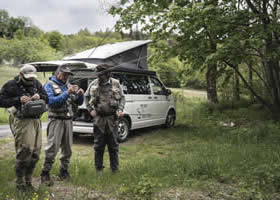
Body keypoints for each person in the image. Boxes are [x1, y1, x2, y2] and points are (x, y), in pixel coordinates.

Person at [0, 64, 48, 191]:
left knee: (35, 152)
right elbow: (1, 101)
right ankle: (19, 183)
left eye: (32, 78)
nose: (30, 80)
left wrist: (40, 97)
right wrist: (18, 99)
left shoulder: (36, 83)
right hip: (22, 121)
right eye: (28, 78)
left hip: (36, 121)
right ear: (21, 75)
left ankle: (28, 181)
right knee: (25, 150)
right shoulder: (11, 84)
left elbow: (46, 98)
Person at [40, 64, 84, 185]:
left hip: (68, 121)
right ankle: (45, 173)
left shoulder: (68, 86)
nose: (66, 77)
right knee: (52, 148)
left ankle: (63, 171)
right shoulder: (49, 85)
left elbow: (78, 102)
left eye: (68, 75)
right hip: (55, 120)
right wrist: (67, 93)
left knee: (67, 149)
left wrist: (81, 94)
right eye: (64, 74)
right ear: (58, 73)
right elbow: (52, 102)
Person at [85, 63, 125, 173]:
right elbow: (86, 96)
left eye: (101, 74)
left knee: (114, 146)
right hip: (99, 119)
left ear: (108, 74)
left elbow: (122, 98)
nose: (98, 76)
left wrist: (120, 109)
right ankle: (99, 169)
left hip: (113, 119)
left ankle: (115, 169)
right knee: (98, 146)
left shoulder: (116, 83)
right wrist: (90, 110)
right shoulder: (94, 83)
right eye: (98, 74)